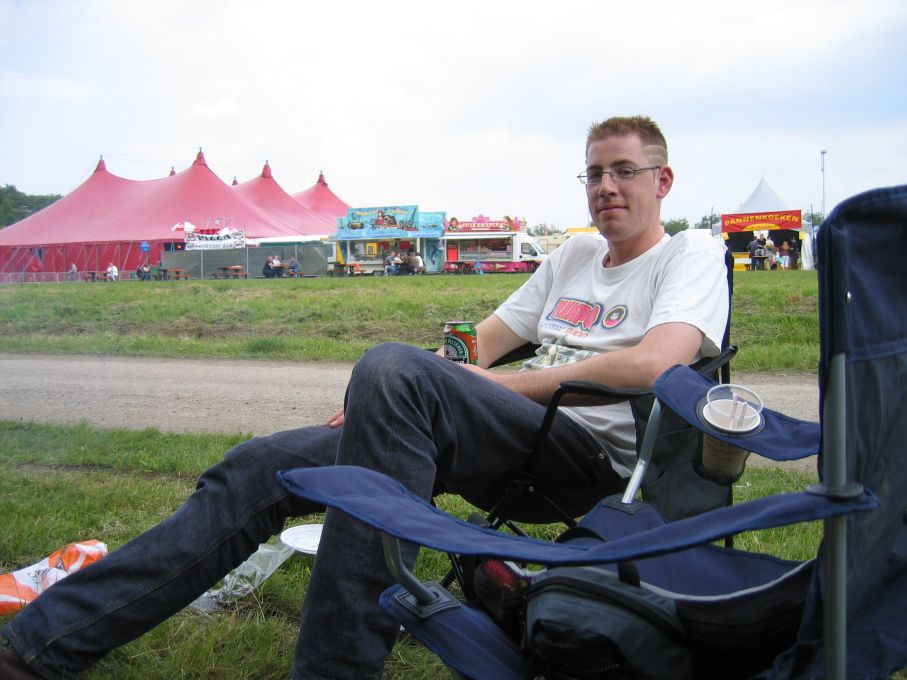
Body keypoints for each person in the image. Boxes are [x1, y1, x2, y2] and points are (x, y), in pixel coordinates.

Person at [0, 115, 729, 680]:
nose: (606, 187)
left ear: (662, 181)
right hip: (498, 437)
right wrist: (397, 395)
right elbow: (477, 343)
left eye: (624, 171)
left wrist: (464, 383)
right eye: (594, 173)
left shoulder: (689, 251)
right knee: (261, 465)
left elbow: (655, 364)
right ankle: (39, 648)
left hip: (587, 461)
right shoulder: (574, 254)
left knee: (392, 366)